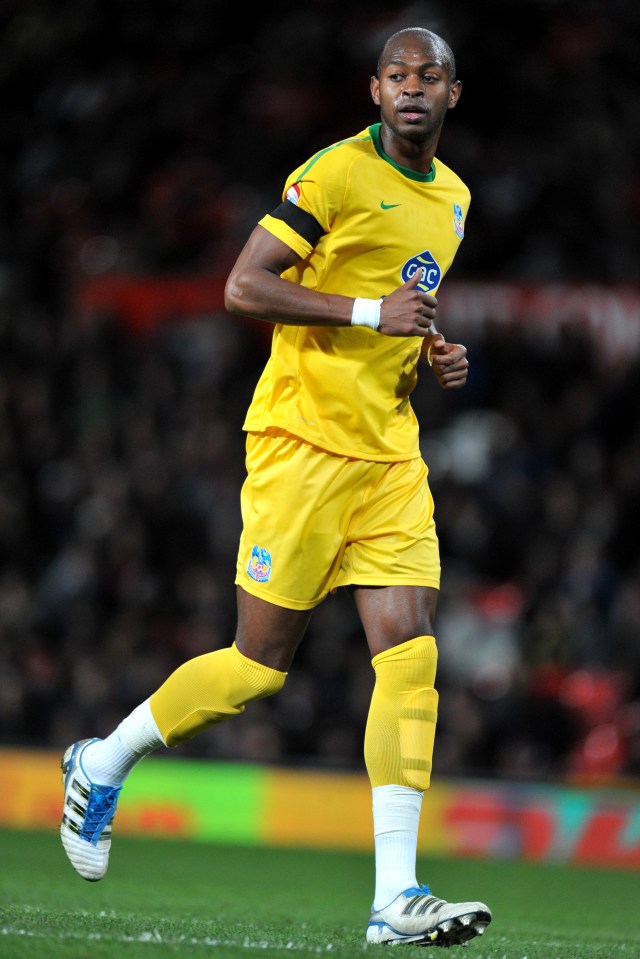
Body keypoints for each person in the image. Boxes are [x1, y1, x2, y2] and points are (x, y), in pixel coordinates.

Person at [60, 26, 492, 947]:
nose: (413, 88)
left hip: (389, 455)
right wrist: (369, 311)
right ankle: (102, 761)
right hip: (301, 445)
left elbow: (402, 304)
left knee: (409, 652)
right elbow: (243, 288)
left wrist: (431, 350)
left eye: (430, 76)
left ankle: (394, 896)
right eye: (398, 75)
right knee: (255, 668)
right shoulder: (332, 173)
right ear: (375, 90)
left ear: (454, 94)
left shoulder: (455, 199)